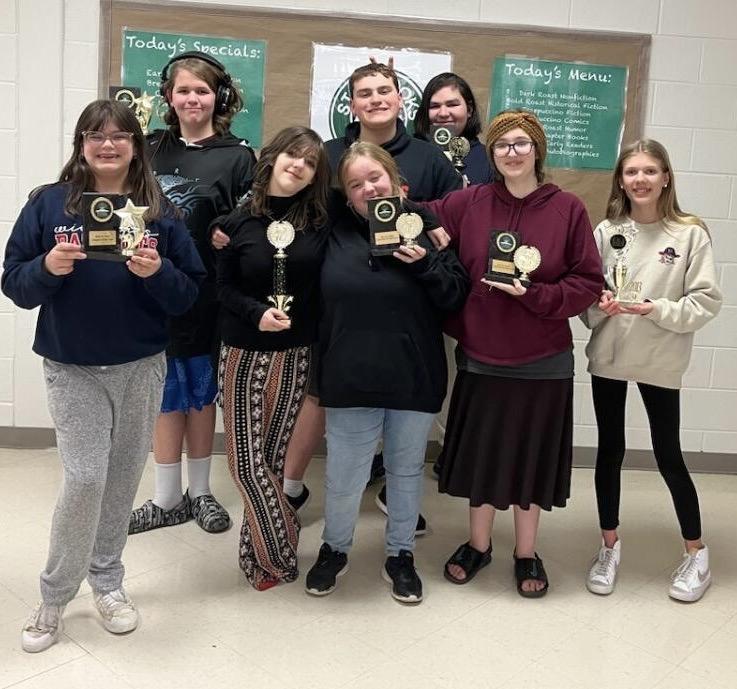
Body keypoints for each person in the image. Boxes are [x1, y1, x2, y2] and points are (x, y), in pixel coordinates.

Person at [2, 100, 205, 653]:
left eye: (119, 135)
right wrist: (47, 267)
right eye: (95, 135)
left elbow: (188, 293)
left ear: (136, 145)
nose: (107, 144)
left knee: (120, 479)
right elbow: (15, 283)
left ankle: (108, 580)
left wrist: (157, 271)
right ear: (81, 145)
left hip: (140, 366)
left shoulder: (159, 211)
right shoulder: (49, 204)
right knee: (86, 478)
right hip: (73, 366)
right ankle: (54, 596)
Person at [426, 109, 603, 597]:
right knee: (482, 457)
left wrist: (536, 296)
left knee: (531, 459)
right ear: (492, 154)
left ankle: (527, 552)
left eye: (521, 143)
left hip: (544, 358)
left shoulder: (568, 209)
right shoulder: (469, 202)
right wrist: (379, 193)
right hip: (482, 352)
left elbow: (587, 281)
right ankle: (478, 545)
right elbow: (415, 214)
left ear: (537, 150)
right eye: (502, 145)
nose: (512, 152)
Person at [304, 142, 468, 603]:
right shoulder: (332, 228)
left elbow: (455, 296)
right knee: (344, 476)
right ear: (346, 194)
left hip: (413, 374)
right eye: (355, 184)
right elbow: (306, 192)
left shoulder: (428, 236)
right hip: (349, 374)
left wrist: (425, 262)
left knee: (405, 472)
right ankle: (335, 548)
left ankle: (400, 554)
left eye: (375, 177)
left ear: (396, 181)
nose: (368, 189)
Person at [582, 139, 721, 603]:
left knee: (668, 454)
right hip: (610, 356)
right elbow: (589, 300)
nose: (639, 179)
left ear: (666, 178)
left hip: (660, 357)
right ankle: (609, 546)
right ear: (620, 180)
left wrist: (655, 308)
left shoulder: (689, 233)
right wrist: (601, 305)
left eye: (649, 171)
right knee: (609, 452)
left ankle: (696, 551)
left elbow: (705, 302)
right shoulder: (607, 232)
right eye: (631, 172)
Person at [129, 51, 256, 536]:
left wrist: (229, 232)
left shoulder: (239, 156)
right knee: (165, 391)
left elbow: (251, 220)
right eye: (183, 90)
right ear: (168, 95)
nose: (192, 99)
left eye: (202, 90)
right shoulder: (147, 148)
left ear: (218, 97)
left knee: (201, 392)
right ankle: (166, 498)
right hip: (153, 288)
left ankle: (200, 492)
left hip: (208, 294)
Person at [215, 126, 331, 591]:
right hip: (242, 350)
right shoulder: (236, 222)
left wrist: (424, 216)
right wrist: (256, 314)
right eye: (292, 154)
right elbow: (223, 288)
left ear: (315, 175)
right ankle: (283, 545)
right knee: (244, 463)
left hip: (295, 353)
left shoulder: (322, 220)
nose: (298, 165)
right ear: (273, 157)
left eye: (310, 162)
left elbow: (382, 202)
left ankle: (257, 555)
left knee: (271, 459)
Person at [414, 72, 494, 186]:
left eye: (452, 105)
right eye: (434, 106)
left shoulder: (489, 159)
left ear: (469, 110)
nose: (443, 113)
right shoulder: (412, 152)